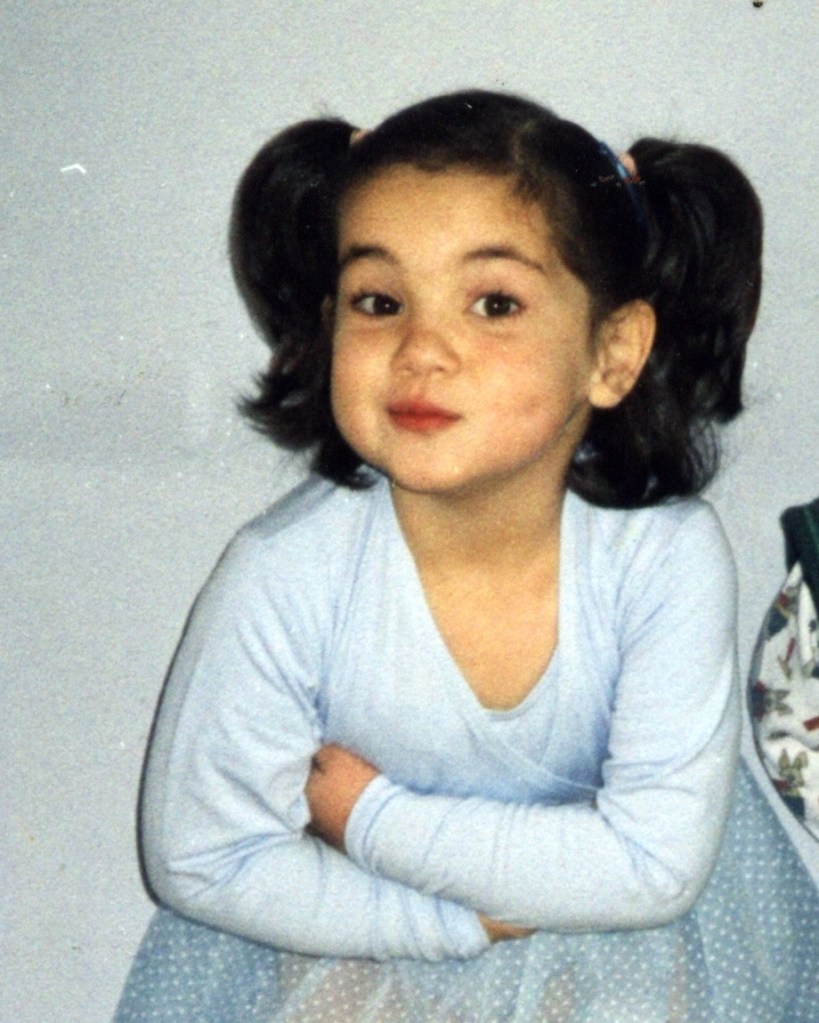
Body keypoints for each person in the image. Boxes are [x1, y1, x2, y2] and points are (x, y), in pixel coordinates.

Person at [113, 90, 819, 1022]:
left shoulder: (663, 557)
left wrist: (370, 816)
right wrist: (450, 924)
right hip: (360, 922)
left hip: (623, 945)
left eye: (493, 303)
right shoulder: (282, 572)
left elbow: (651, 869)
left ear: (612, 352)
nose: (420, 348)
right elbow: (203, 857)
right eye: (378, 301)